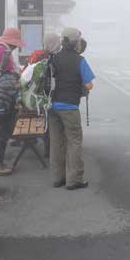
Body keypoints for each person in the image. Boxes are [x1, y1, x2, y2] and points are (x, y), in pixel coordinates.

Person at [49, 27, 95, 190]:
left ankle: (57, 178)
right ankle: (74, 180)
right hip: (69, 106)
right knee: (74, 141)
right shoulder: (79, 60)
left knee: (56, 142)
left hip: (52, 106)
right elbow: (89, 83)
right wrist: (81, 85)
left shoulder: (54, 58)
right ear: (76, 42)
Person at [0, 28, 25, 176]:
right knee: (2, 131)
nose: (15, 47)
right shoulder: (3, 51)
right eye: (15, 43)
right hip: (4, 95)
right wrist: (11, 74)